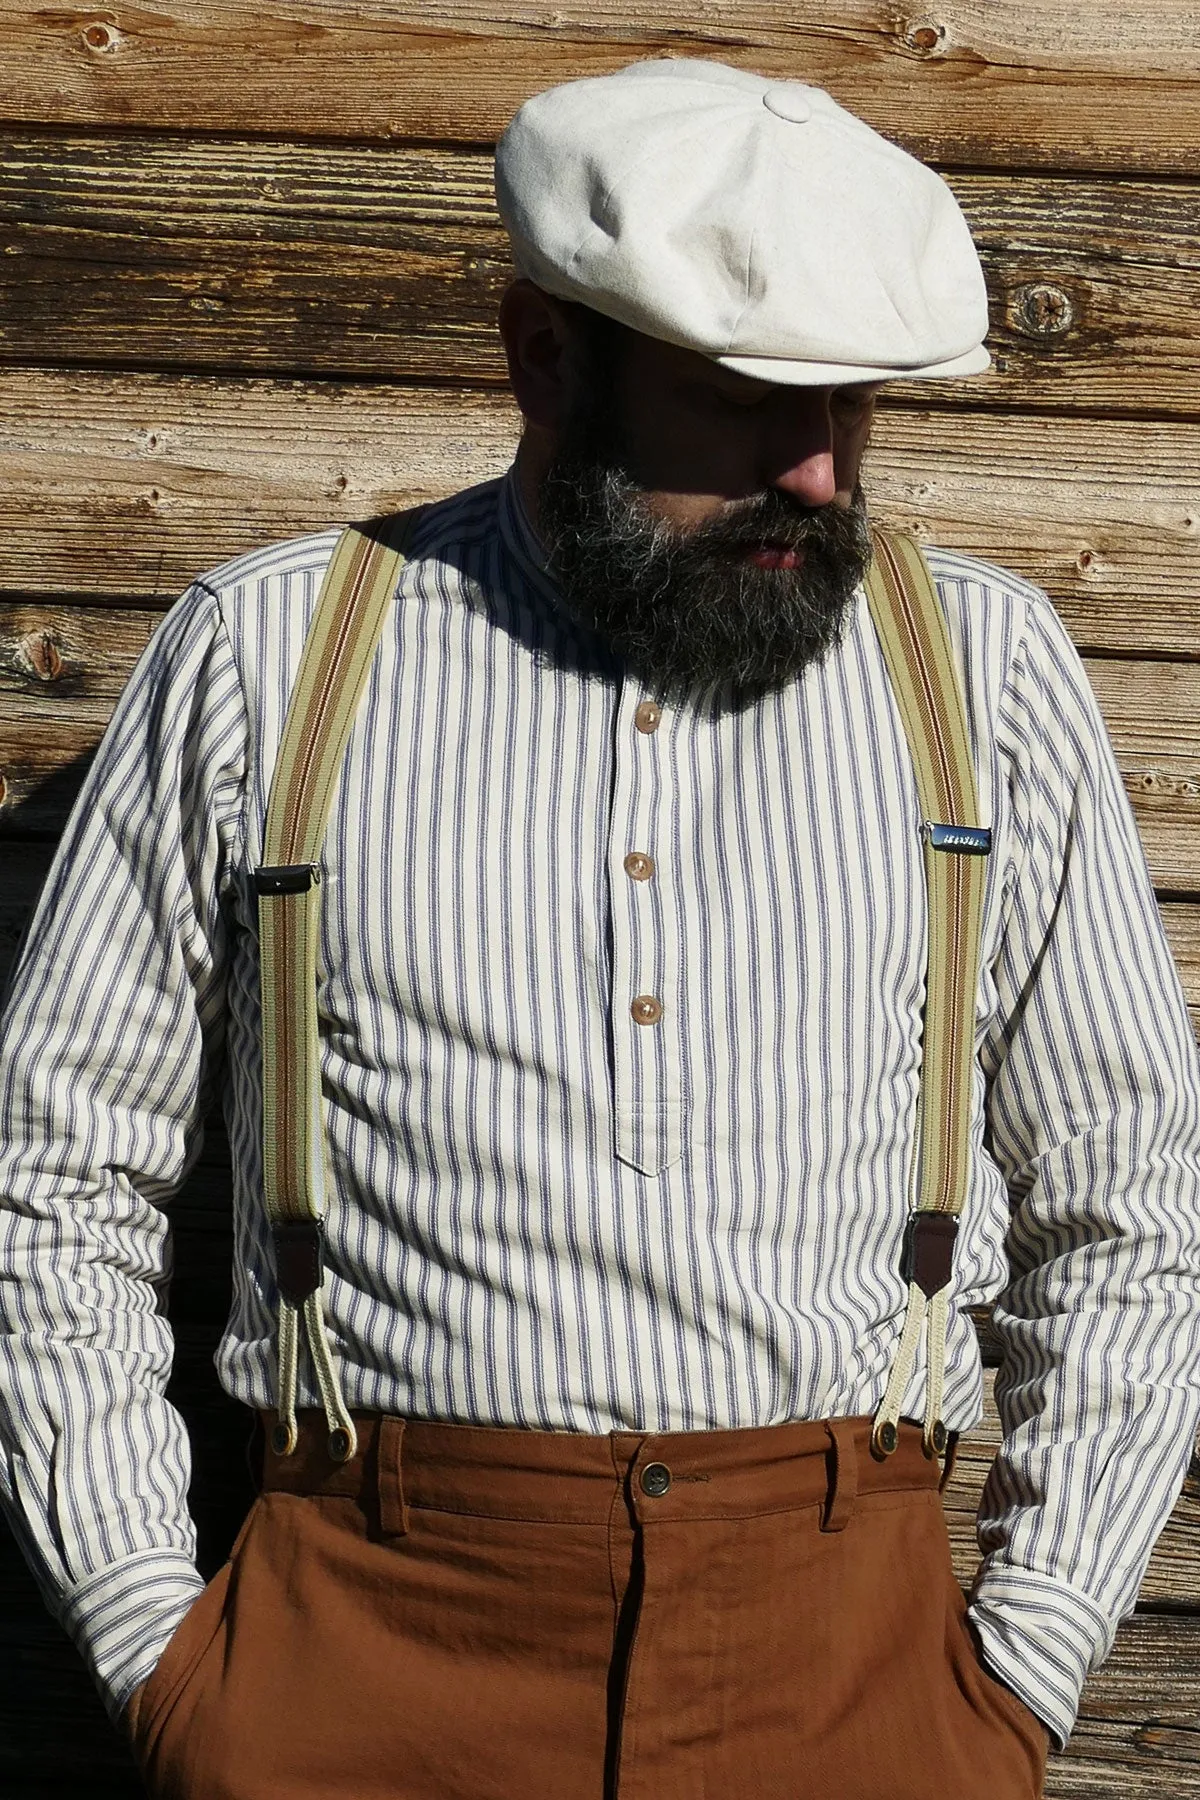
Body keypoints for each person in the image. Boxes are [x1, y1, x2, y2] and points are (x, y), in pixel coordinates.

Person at [2, 55, 1199, 1800]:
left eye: (858, 406)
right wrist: (158, 1650)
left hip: (852, 1679)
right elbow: (50, 1179)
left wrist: (1014, 1681)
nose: (817, 471)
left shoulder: (985, 677)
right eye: (744, 404)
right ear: (546, 354)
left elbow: (1129, 1203)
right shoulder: (270, 659)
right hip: (364, 1665)